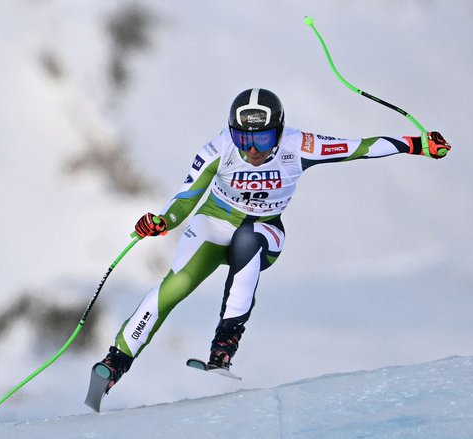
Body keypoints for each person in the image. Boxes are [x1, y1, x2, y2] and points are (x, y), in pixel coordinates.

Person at [92, 87, 450, 395]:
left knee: (247, 241)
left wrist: (418, 145)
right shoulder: (219, 148)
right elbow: (186, 198)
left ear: (277, 131)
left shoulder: (299, 145)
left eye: (261, 140)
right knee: (176, 285)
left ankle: (224, 345)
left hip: (265, 228)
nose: (252, 151)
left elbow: (358, 147)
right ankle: (115, 362)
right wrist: (161, 221)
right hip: (214, 225)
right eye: (243, 140)